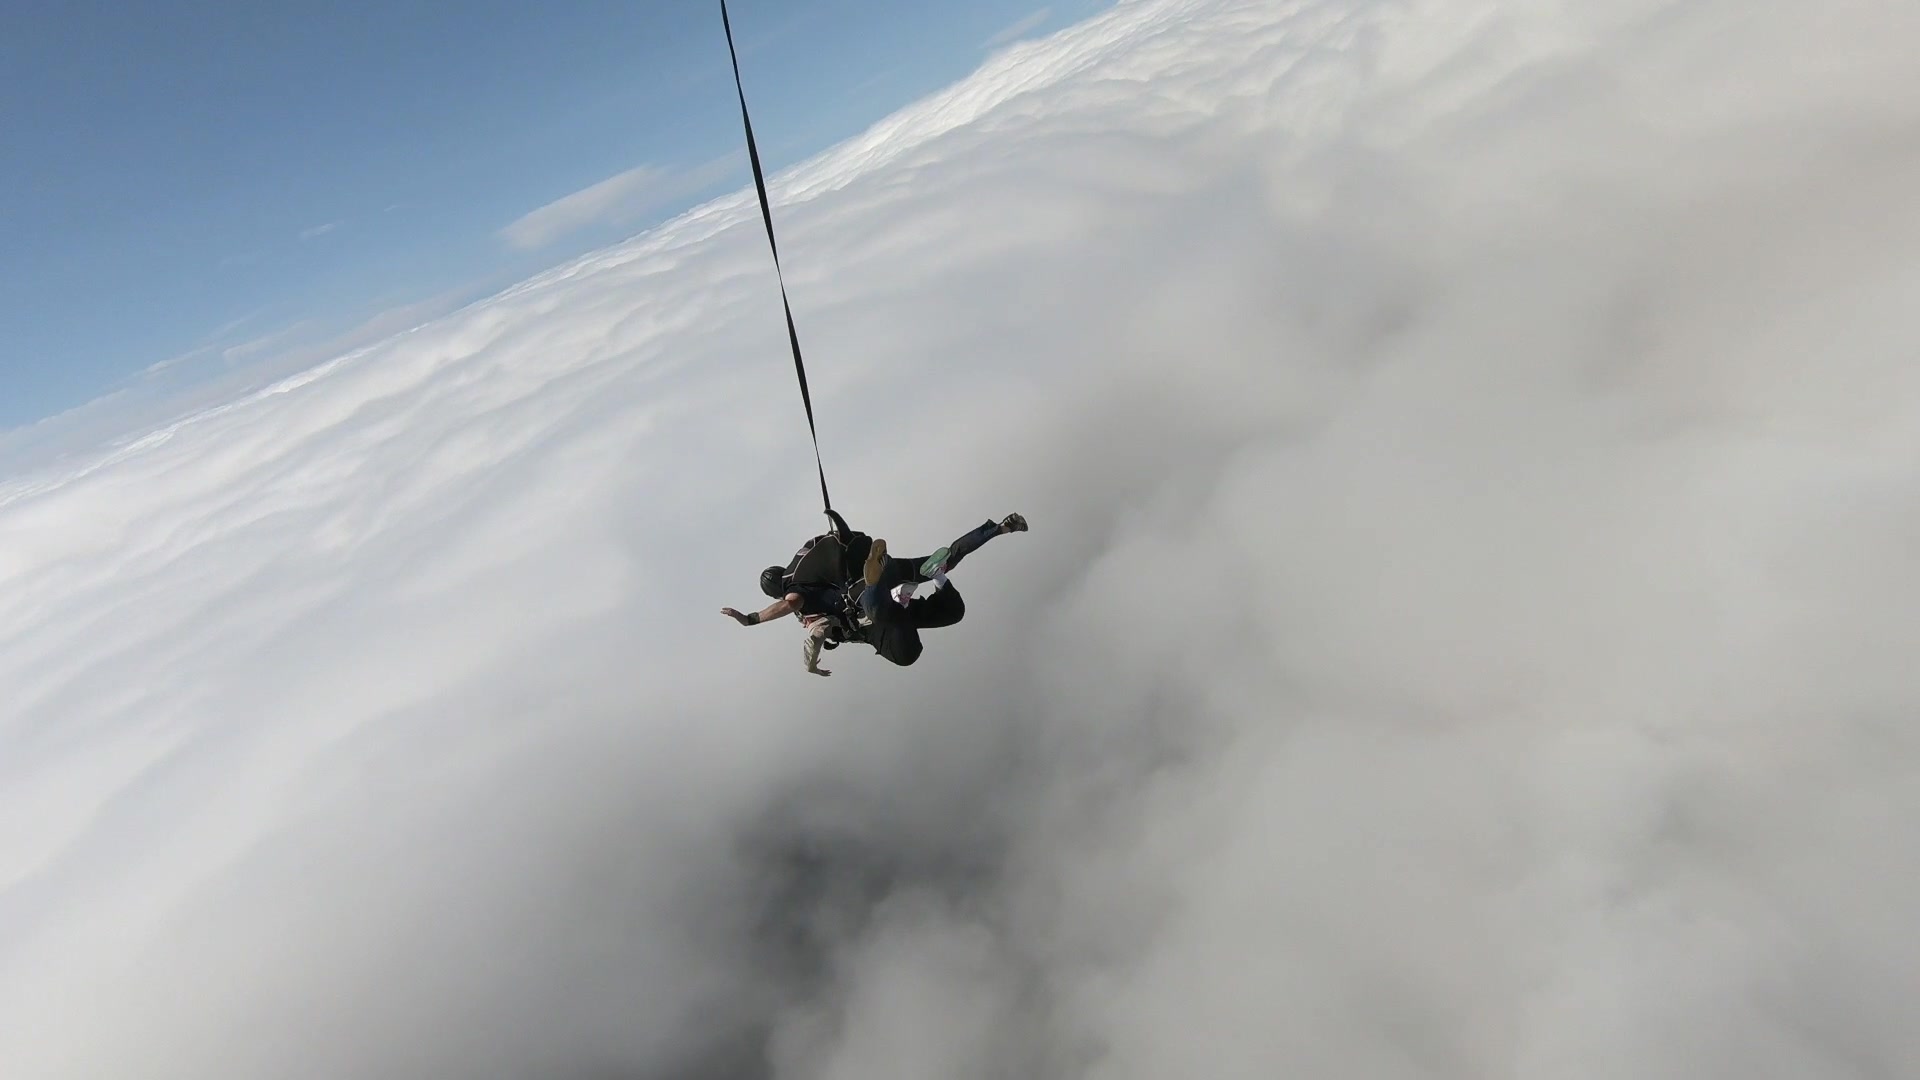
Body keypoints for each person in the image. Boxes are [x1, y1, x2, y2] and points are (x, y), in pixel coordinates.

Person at [721, 513, 1028, 673]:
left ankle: (887, 591)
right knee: (952, 610)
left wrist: (752, 619)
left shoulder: (799, 598)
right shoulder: (806, 562)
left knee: (904, 651)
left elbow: (791, 608)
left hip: (872, 602)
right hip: (888, 575)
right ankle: (999, 529)